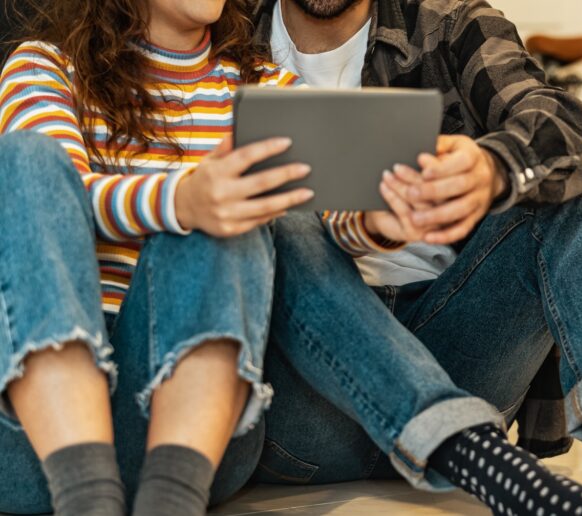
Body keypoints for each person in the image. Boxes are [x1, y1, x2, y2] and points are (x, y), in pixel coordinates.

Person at [252, 1, 582, 515]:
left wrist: (495, 168)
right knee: (278, 213)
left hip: (459, 359)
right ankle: (490, 465)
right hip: (305, 410)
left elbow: (561, 122)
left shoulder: (449, 22)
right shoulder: (222, 35)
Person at [0, 0, 409, 514]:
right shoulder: (44, 66)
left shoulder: (266, 89)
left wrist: (380, 219)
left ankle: (171, 497)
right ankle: (87, 493)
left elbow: (326, 219)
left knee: (236, 205)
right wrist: (184, 199)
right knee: (26, 159)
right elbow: (55, 200)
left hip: (194, 432)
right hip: (32, 437)